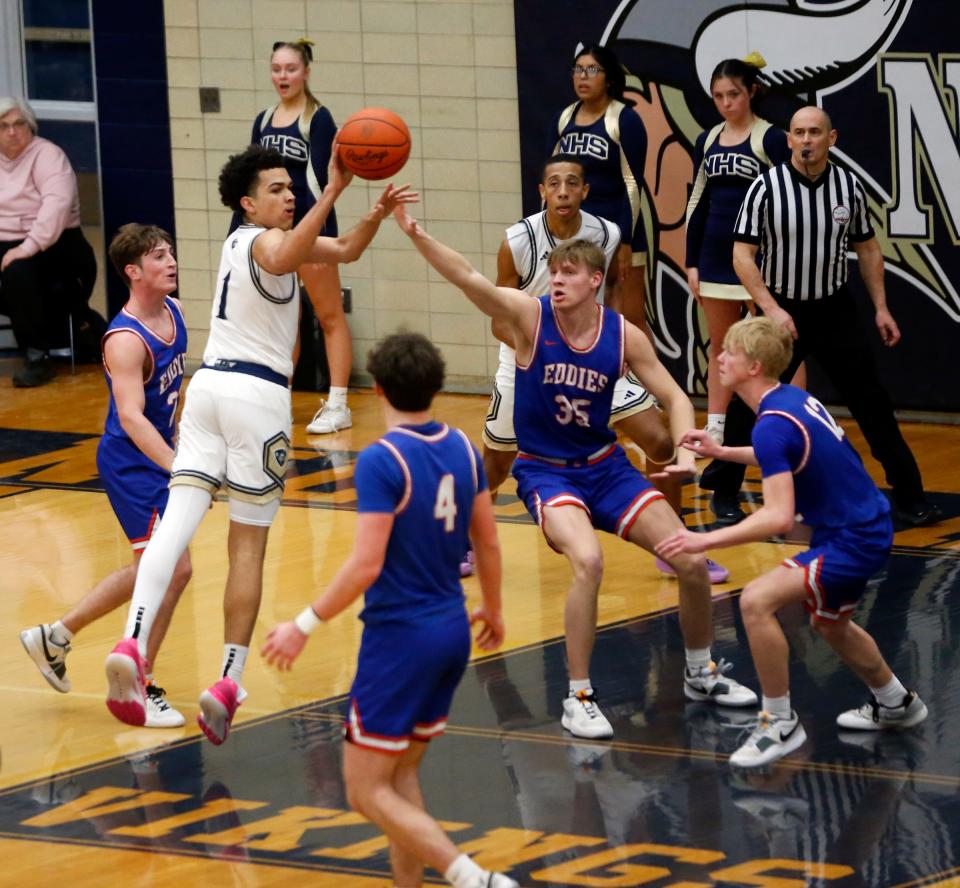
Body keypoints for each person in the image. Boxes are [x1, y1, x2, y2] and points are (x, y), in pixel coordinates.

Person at [394, 207, 757, 741]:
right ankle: (578, 695)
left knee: (692, 562)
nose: (556, 281)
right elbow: (466, 277)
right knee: (588, 561)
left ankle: (700, 671)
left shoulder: (622, 335)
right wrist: (417, 234)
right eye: (553, 272)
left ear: (593, 281)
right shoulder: (528, 317)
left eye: (568, 274)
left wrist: (684, 449)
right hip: (547, 473)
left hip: (606, 469)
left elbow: (676, 396)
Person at [104, 144, 417, 743]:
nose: (287, 194)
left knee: (174, 523)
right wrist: (332, 190)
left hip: (209, 389)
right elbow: (293, 249)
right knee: (247, 547)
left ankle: (133, 642)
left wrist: (373, 213)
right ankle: (228, 679)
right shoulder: (265, 241)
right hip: (256, 399)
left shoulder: (240, 244)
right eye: (275, 189)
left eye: (289, 187)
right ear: (248, 203)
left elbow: (342, 249)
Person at [261, 332, 517, 888]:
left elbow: (364, 566)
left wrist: (302, 625)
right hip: (452, 629)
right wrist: (493, 607)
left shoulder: (382, 460)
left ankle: (472, 878)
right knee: (399, 779)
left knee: (364, 790)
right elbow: (489, 543)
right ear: (436, 384)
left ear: (376, 388)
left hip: (400, 640)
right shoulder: (463, 448)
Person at [656, 317, 928, 767]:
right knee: (830, 624)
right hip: (863, 526)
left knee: (756, 601)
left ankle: (779, 721)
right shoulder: (790, 400)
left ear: (754, 366)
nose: (719, 357)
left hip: (852, 538)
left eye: (729, 352)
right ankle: (896, 702)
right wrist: (722, 452)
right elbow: (778, 453)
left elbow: (778, 516)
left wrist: (704, 541)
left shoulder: (771, 423)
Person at [484, 153, 728, 583]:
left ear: (585, 191)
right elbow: (499, 319)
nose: (563, 191)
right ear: (542, 192)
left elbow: (614, 291)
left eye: (572, 183)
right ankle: (460, 541)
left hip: (594, 351)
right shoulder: (517, 240)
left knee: (660, 441)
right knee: (496, 466)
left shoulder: (606, 233)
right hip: (528, 357)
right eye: (554, 183)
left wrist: (617, 346)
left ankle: (675, 545)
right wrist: (544, 352)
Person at [698, 106, 940, 529]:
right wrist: (771, 309)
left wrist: (881, 307)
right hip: (781, 309)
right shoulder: (766, 187)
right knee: (749, 401)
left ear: (832, 138)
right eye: (798, 133)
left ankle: (911, 497)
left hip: (832, 307)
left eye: (814, 132)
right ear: (788, 140)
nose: (806, 140)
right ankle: (724, 492)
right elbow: (741, 255)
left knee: (872, 402)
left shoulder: (849, 187)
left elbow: (868, 248)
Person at [20, 224, 190, 727]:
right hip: (133, 464)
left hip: (160, 453)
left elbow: (169, 397)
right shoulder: (124, 339)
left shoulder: (175, 312)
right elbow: (133, 417)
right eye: (159, 257)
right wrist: (176, 466)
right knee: (174, 571)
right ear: (134, 272)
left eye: (171, 253)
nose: (171, 262)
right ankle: (141, 681)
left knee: (156, 570)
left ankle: (56, 636)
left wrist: (184, 438)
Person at [684, 55, 790, 452]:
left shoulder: (772, 138)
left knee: (775, 346)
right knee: (721, 346)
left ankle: (785, 421)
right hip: (713, 255)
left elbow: (786, 200)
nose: (726, 103)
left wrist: (773, 256)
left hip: (758, 258)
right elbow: (697, 201)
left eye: (733, 94)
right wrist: (691, 260)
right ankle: (716, 427)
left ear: (751, 93)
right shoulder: (707, 140)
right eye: (718, 96)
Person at [248, 39, 352, 435]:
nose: (282, 76)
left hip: (310, 232)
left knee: (328, 315)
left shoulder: (318, 119)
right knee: (282, 320)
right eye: (276, 69)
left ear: (306, 72)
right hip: (273, 239)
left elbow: (324, 184)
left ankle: (338, 403)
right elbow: (252, 186)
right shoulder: (262, 121)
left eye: (290, 69)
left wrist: (319, 237)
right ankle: (278, 401)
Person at [551, 45, 651, 338]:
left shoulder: (625, 119)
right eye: (578, 70)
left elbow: (633, 183)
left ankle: (642, 384)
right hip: (575, 233)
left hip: (619, 230)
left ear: (608, 78)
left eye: (592, 70)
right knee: (578, 315)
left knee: (628, 319)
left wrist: (625, 240)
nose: (583, 76)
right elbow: (551, 178)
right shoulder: (564, 119)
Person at [0, 97, 97, 387]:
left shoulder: (49, 155)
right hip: (8, 243)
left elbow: (55, 210)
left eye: (18, 124)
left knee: (17, 272)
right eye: (3, 126)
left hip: (57, 246)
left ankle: (38, 357)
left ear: (30, 127)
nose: (12, 132)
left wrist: (24, 249)